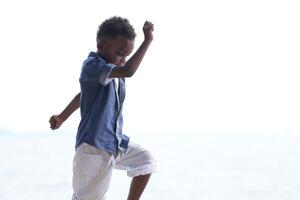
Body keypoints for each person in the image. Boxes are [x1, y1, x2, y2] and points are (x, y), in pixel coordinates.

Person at [49, 16, 158, 200]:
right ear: (101, 46)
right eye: (120, 53)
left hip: (114, 142)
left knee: (146, 161)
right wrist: (147, 41)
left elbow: (84, 94)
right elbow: (129, 71)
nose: (123, 60)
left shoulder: (113, 70)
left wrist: (62, 116)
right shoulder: (93, 66)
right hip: (93, 148)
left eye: (127, 56)